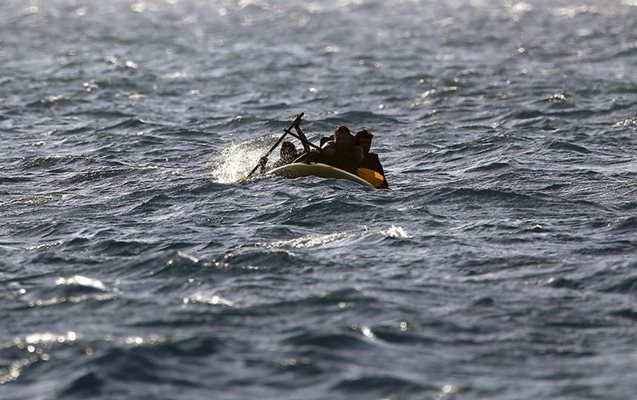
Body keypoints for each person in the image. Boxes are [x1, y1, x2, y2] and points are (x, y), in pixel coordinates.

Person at [295, 123, 363, 175]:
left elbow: (356, 159)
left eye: (345, 138)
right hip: (329, 169)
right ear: (334, 139)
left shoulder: (356, 149)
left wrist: (337, 153)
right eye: (339, 139)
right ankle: (293, 165)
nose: (342, 141)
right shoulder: (331, 144)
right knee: (313, 153)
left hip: (348, 171)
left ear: (349, 138)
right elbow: (324, 148)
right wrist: (324, 152)